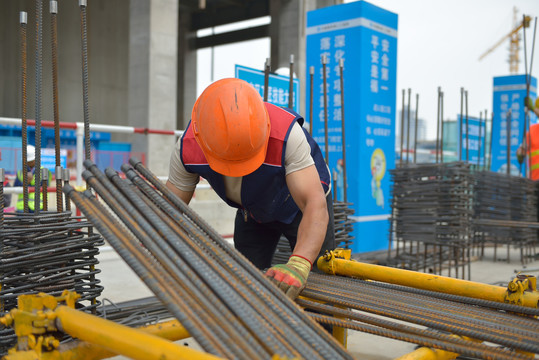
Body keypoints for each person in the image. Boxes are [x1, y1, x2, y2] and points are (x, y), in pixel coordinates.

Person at [167, 78, 335, 299]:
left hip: (299, 209)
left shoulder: (286, 133)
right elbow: (168, 210)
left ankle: (322, 332)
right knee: (248, 285)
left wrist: (300, 263)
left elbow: (313, 203)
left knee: (318, 288)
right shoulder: (188, 147)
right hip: (252, 211)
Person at [14, 145, 50, 212]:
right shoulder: (21, 172)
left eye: (30, 160)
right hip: (22, 207)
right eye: (28, 161)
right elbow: (15, 187)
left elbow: (45, 187)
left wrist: (30, 183)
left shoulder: (43, 171)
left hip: (37, 207)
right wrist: (25, 182)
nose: (29, 162)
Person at [517, 97, 539, 180]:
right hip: (534, 181)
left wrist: (533, 109)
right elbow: (521, 150)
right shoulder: (532, 131)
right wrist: (520, 154)